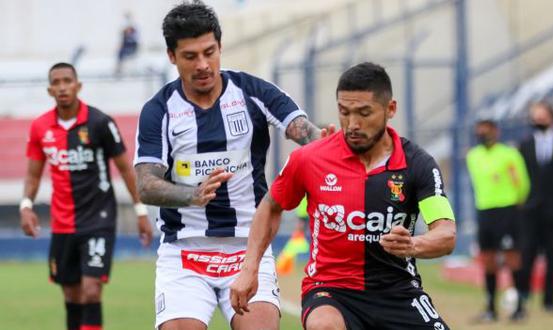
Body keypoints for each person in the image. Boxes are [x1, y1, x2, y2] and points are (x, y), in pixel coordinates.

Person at [133, 2, 331, 329]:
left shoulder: (253, 92)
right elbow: (145, 185)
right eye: (190, 56)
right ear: (172, 56)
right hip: (185, 254)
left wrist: (325, 143)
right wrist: (191, 195)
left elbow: (304, 131)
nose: (203, 65)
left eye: (209, 52)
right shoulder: (159, 111)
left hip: (247, 249)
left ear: (221, 47)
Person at [231, 62, 456, 330]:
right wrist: (250, 267)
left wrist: (414, 245)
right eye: (344, 112)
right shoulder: (309, 158)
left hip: (397, 290)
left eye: (364, 113)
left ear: (390, 109)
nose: (352, 125)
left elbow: (446, 233)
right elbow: (270, 207)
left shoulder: (418, 164)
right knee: (324, 327)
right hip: (331, 290)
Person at [20, 62, 153, 330]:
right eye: (56, 83)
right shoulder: (40, 128)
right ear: (49, 90)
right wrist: (26, 206)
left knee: (91, 290)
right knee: (71, 294)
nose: (62, 87)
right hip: (62, 222)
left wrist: (140, 211)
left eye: (67, 81)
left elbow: (125, 168)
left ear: (78, 86)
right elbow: (33, 174)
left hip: (98, 218)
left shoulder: (100, 123)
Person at [465, 119, 530, 322]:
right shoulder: (473, 156)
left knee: (512, 259)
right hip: (485, 210)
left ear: (496, 132)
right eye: (480, 132)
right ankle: (491, 309)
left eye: (487, 131)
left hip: (507, 210)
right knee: (488, 259)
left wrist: (514, 202)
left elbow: (523, 184)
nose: (483, 135)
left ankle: (519, 307)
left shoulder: (509, 154)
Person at [518, 101, 553, 312]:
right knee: (527, 254)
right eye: (535, 116)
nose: (538, 120)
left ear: (551, 118)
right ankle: (523, 297)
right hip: (529, 210)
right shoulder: (524, 145)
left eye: (542, 116)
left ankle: (549, 300)